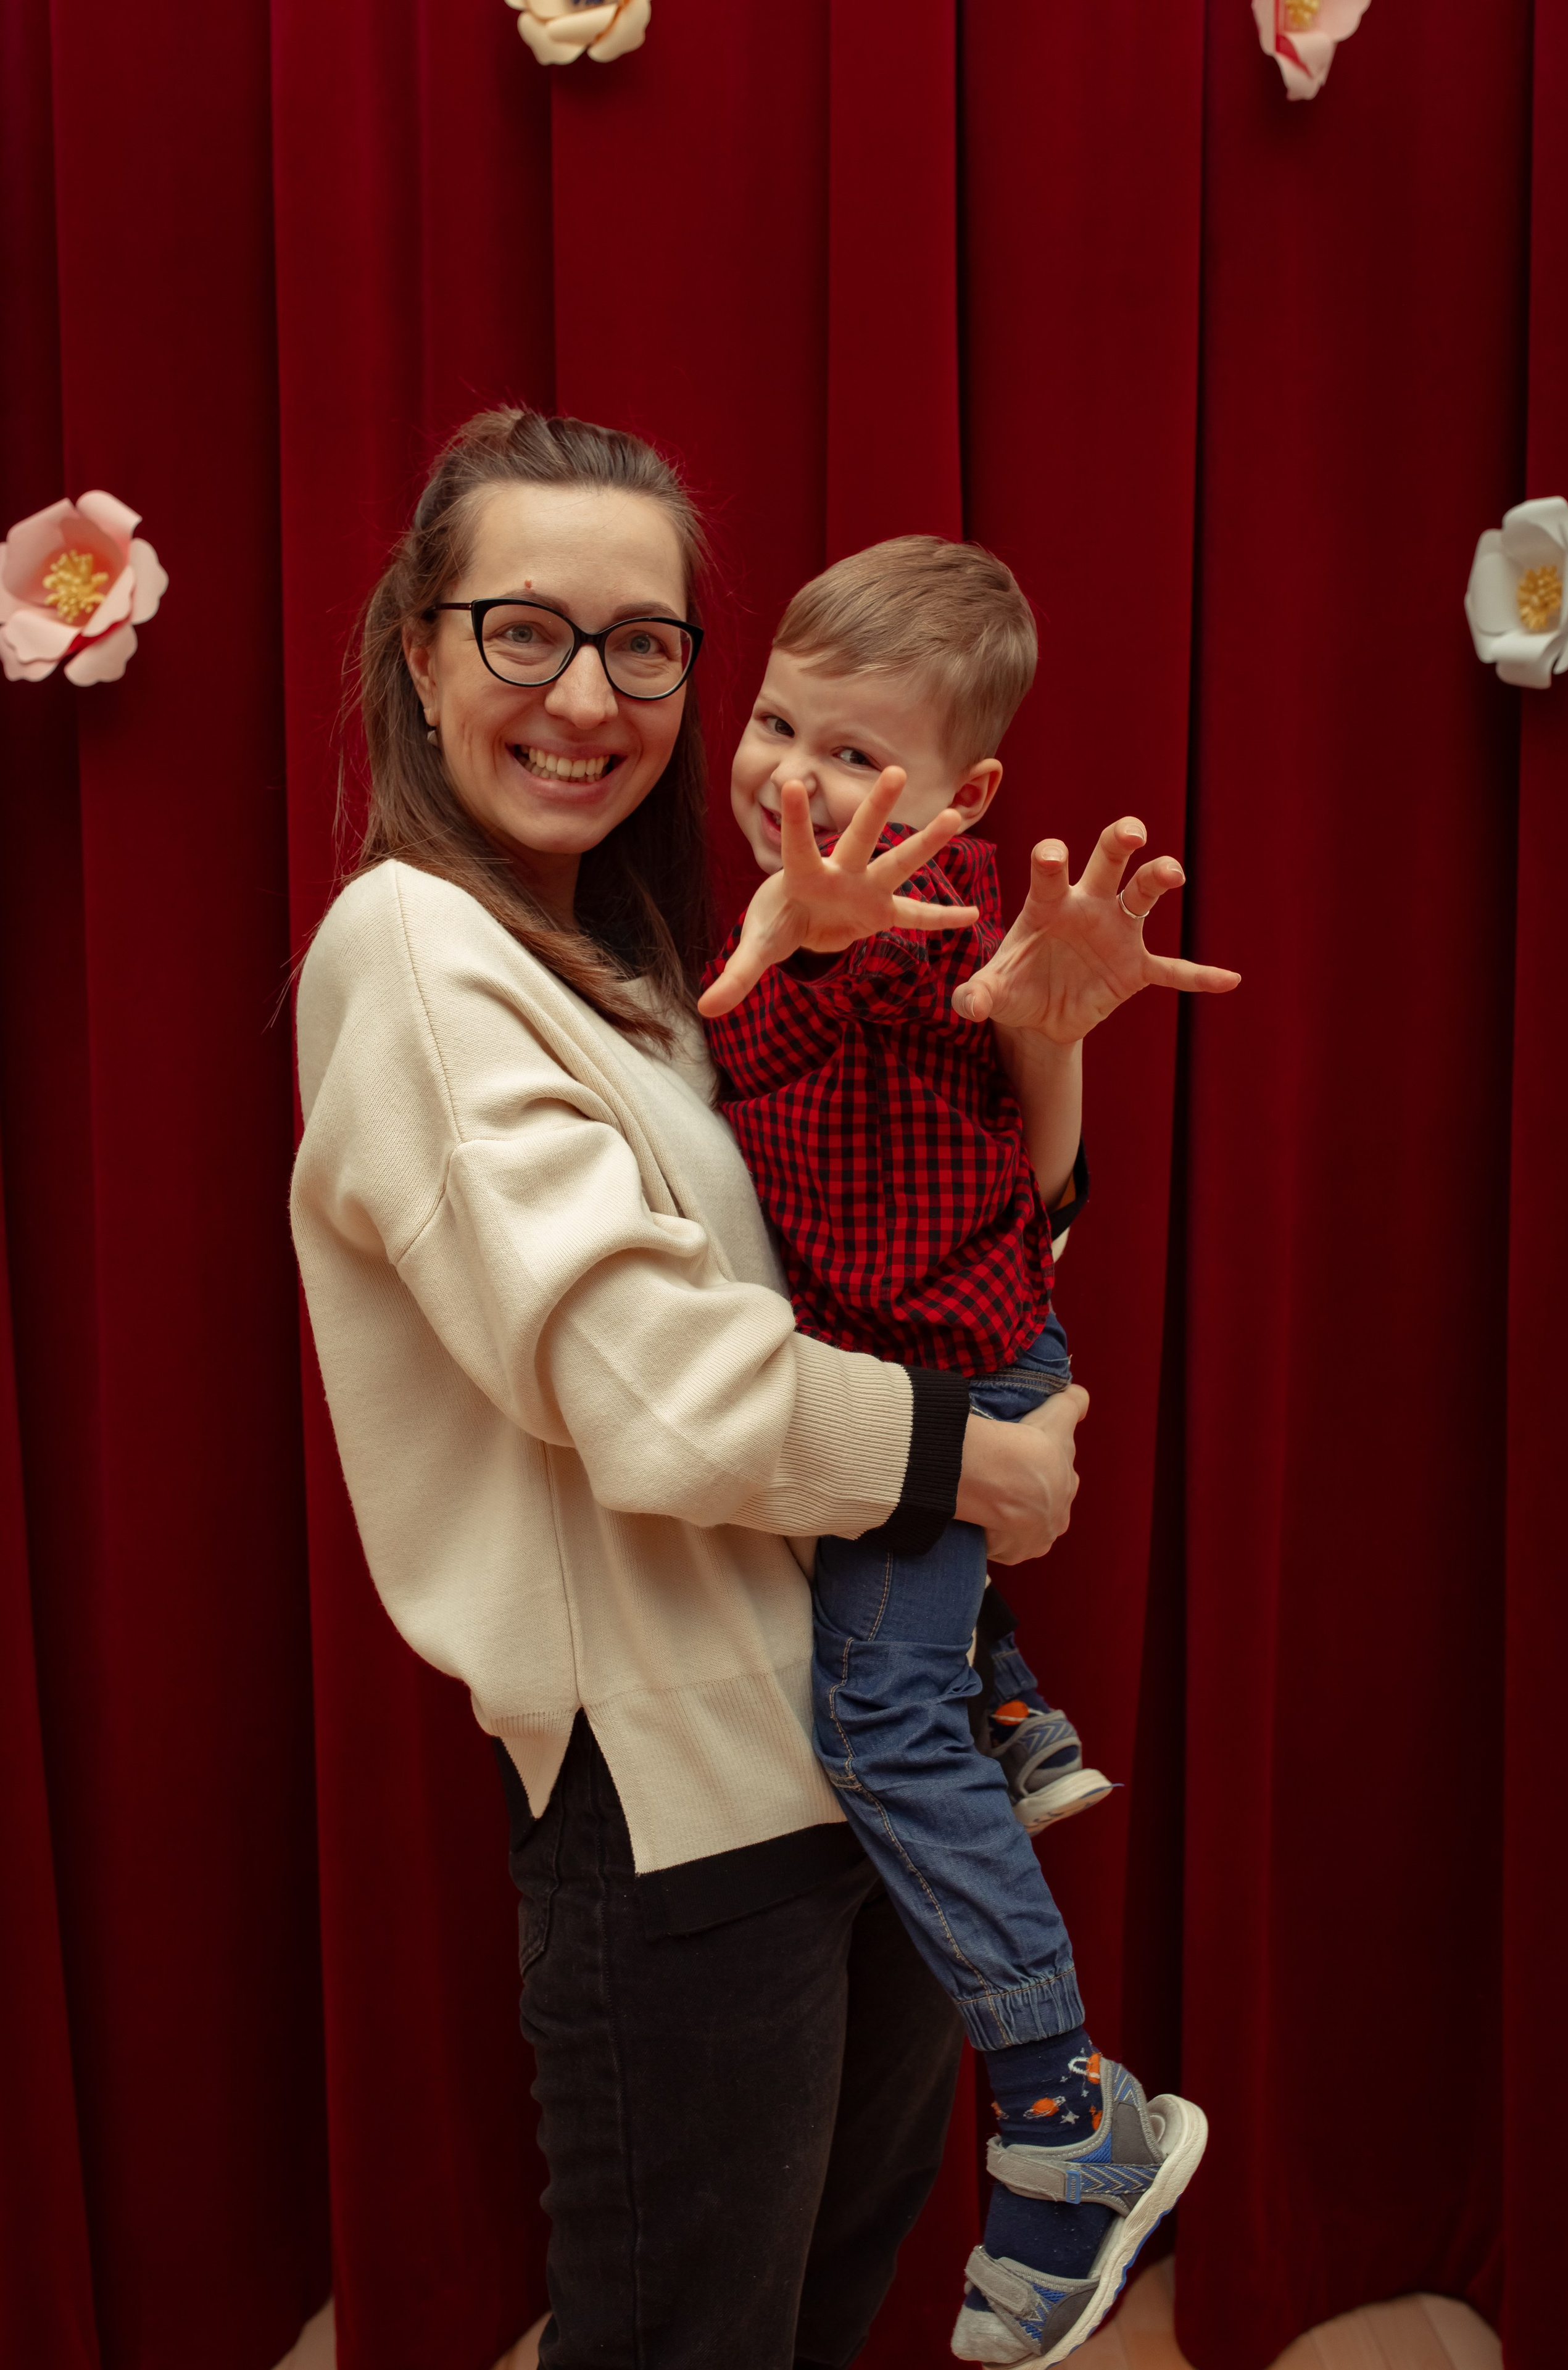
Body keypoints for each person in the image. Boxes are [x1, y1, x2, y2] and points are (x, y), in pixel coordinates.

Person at [287, 405, 1187, 2370]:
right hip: (678, 1815)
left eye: (643, 643)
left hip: (850, 1759)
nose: (587, 695)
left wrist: (1048, 1045)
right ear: (420, 652)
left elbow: (941, 1250)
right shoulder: (418, 953)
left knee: (808, 2315)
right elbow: (668, 1400)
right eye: (524, 630)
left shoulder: (637, 961)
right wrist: (982, 1469)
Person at [697, 538, 1237, 2364]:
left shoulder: (910, 919)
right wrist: (795, 936)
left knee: (870, 1727)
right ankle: (1010, 1702)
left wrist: (1025, 1007)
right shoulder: (806, 907)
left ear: (960, 796)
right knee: (906, 1692)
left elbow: (800, 1047)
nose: (798, 776)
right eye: (778, 722)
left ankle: (1071, 2112)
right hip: (935, 1366)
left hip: (956, 1389)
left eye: (854, 755)